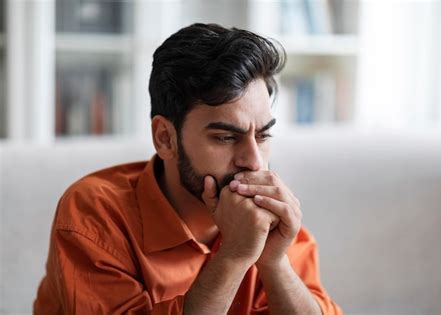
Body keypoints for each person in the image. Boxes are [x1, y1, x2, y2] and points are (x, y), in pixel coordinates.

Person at [34, 23, 342, 314]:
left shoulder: (269, 214)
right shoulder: (94, 215)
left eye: (262, 135)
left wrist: (274, 263)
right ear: (165, 138)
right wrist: (233, 256)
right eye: (225, 137)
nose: (254, 161)